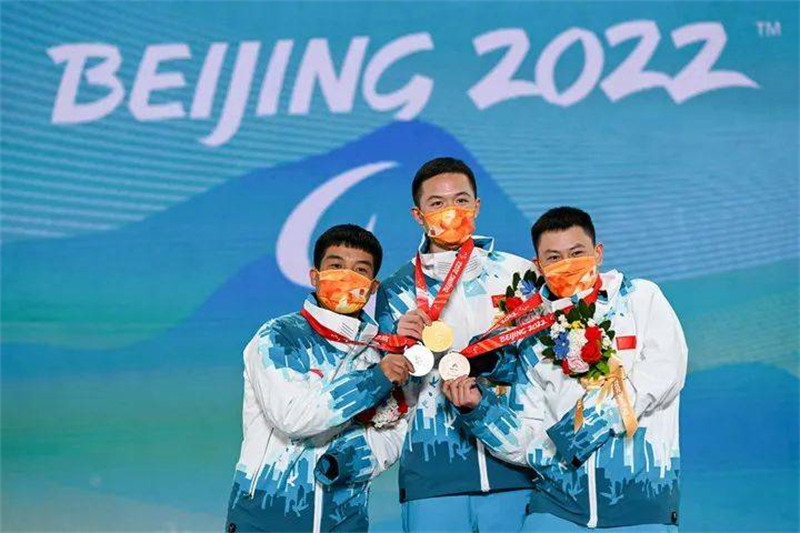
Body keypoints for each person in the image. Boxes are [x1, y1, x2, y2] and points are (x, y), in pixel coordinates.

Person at [317, 157, 536, 532]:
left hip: (516, 469)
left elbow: (541, 369)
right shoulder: (397, 290)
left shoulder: (518, 275)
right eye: (437, 203)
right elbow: (391, 396)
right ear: (418, 215)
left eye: (461, 200)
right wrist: (398, 347)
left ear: (477, 206)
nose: (451, 211)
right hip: (432, 478)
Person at [444, 206, 688, 532]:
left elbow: (664, 374)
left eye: (577, 253)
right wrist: (479, 411)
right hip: (556, 509)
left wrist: (578, 432)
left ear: (597, 253)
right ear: (538, 266)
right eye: (554, 258)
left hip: (639, 508)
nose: (568, 265)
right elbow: (528, 438)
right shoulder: (531, 337)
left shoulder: (640, 298)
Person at [225, 224, 414, 533]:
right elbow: (293, 416)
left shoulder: (380, 351)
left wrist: (348, 461)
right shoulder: (278, 337)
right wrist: (373, 381)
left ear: (372, 285)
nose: (346, 277)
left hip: (345, 521)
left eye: (359, 270)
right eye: (336, 266)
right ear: (315, 276)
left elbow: (395, 432)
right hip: (266, 519)